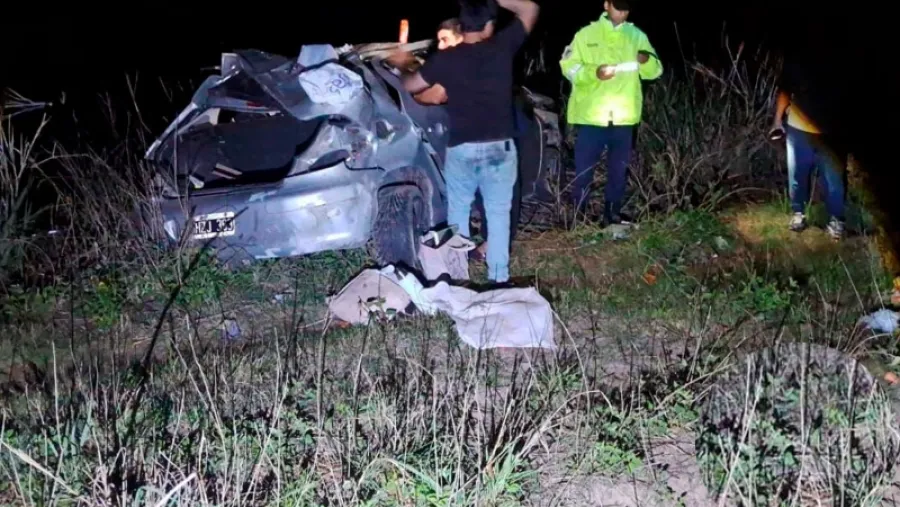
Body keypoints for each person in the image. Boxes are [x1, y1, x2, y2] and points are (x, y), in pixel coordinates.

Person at [399, 0, 540, 284]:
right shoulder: (501, 47)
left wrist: (403, 63)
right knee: (498, 214)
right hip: (500, 148)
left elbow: (411, 86)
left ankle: (457, 278)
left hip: (461, 149)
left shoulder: (447, 59)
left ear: (461, 27)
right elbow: (530, 9)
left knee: (458, 215)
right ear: (489, 25)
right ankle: (499, 279)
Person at [560, 0, 662, 226]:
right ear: (606, 5)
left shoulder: (637, 36)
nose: (623, 12)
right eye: (618, 7)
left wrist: (645, 61)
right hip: (591, 119)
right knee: (583, 173)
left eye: (626, 8)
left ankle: (612, 216)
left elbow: (655, 71)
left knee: (619, 172)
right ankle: (579, 218)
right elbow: (568, 67)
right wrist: (593, 73)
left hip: (623, 119)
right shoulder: (585, 34)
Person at [768, 23, 849, 240]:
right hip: (798, 129)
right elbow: (785, 90)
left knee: (834, 181)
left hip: (831, 133)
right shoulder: (797, 59)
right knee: (797, 176)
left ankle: (836, 220)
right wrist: (777, 121)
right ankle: (798, 213)